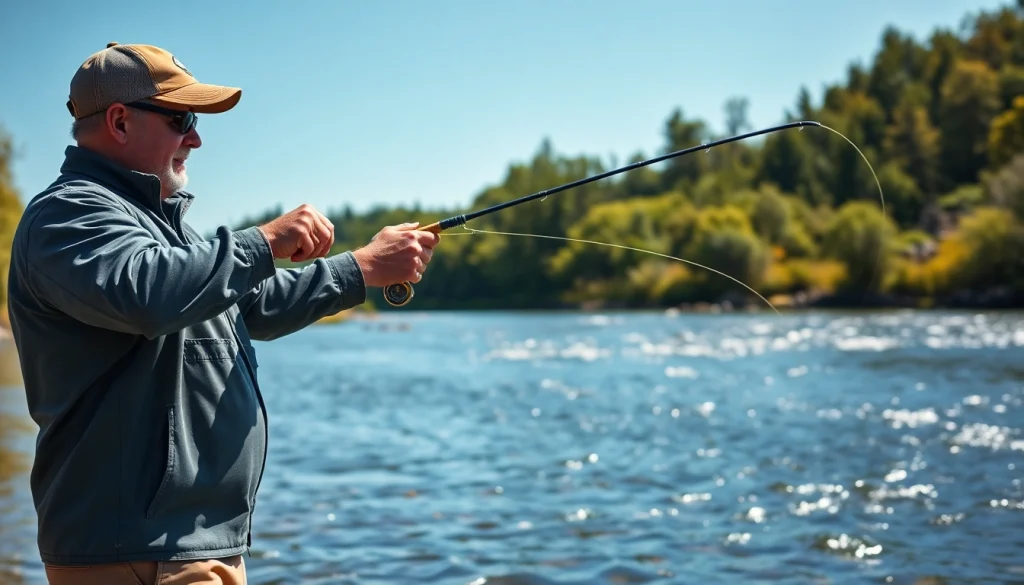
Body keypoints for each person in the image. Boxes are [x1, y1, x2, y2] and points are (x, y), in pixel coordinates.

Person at [6, 42, 440, 585]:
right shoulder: (67, 214)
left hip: (185, 545)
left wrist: (364, 268)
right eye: (182, 119)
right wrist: (264, 241)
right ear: (119, 121)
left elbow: (252, 305)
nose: (196, 137)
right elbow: (146, 293)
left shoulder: (163, 229)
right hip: (133, 550)